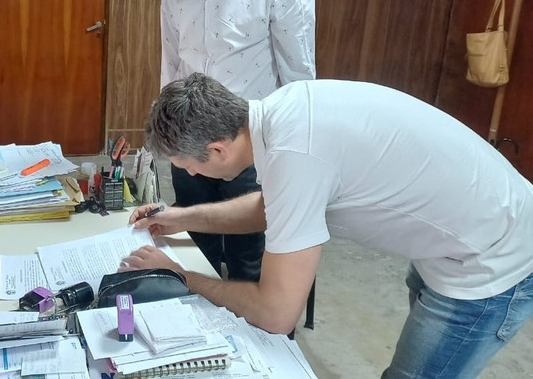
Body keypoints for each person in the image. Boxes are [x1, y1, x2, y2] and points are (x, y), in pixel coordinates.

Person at [124, 73, 533, 378]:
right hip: (457, 236)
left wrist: (180, 276)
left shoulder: (294, 153)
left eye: (189, 166)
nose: (192, 176)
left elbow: (277, 314)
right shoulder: (279, 112)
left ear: (216, 148)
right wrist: (181, 218)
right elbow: (275, 207)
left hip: (491, 262)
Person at [158, 0, 315, 282]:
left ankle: (252, 338)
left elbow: (300, 81)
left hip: (251, 147)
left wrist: (291, 153)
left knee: (249, 257)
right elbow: (172, 67)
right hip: (193, 146)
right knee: (194, 245)